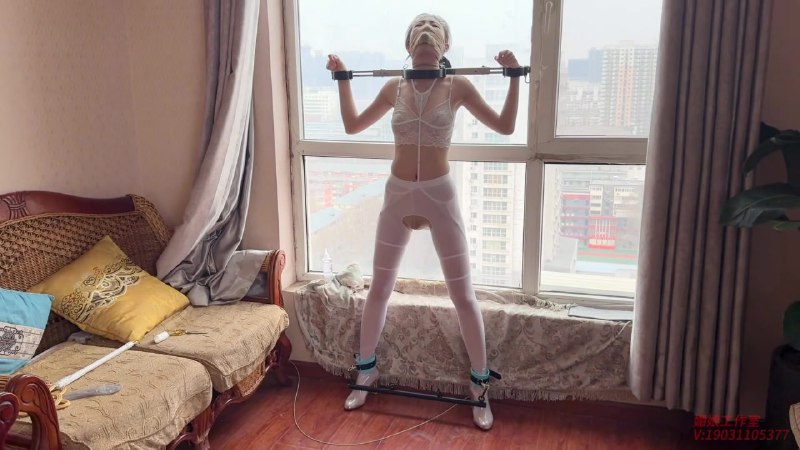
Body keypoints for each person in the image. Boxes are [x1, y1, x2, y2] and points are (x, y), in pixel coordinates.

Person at [326, 12, 520, 431]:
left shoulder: (458, 87)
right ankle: (366, 372)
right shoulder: (393, 88)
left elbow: (505, 127)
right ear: (409, 44)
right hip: (398, 194)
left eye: (435, 27)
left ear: (446, 46)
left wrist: (514, 78)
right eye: (419, 26)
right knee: (380, 287)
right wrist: (342, 78)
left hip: (439, 196)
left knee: (463, 295)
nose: (426, 29)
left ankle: (480, 386)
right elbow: (353, 125)